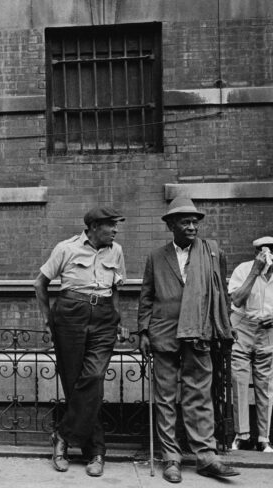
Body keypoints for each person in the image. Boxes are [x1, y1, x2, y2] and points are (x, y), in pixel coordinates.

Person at [137, 196, 239, 483]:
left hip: (199, 331)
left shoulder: (212, 253)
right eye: (185, 221)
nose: (192, 226)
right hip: (164, 333)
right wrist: (144, 331)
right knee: (166, 398)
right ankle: (171, 458)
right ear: (171, 225)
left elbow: (220, 292)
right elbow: (146, 296)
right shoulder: (156, 257)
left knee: (199, 395)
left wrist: (223, 326)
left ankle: (206, 456)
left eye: (195, 221)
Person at [34, 206, 126, 477]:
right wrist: (48, 322)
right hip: (70, 316)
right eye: (111, 225)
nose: (115, 230)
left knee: (94, 377)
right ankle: (96, 451)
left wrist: (118, 320)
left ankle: (62, 436)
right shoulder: (66, 248)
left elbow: (116, 287)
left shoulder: (116, 251)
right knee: (75, 384)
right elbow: (40, 284)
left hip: (104, 316)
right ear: (95, 226)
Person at [229, 235, 273, 453]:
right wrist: (255, 272)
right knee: (239, 380)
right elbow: (236, 300)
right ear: (257, 252)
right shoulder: (243, 270)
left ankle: (264, 437)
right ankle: (242, 435)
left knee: (265, 385)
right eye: (265, 251)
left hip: (267, 331)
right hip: (242, 327)